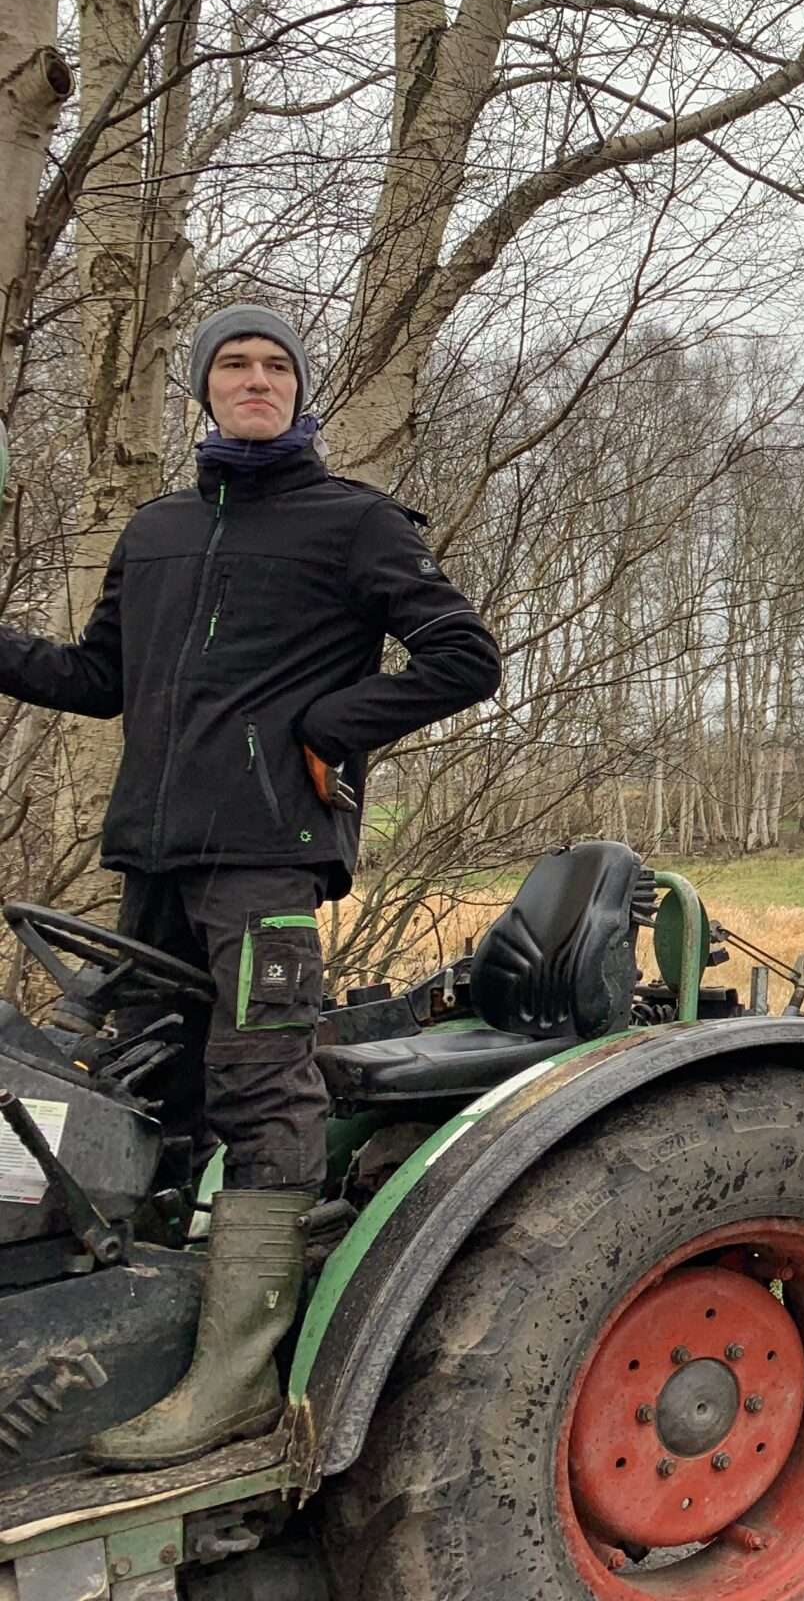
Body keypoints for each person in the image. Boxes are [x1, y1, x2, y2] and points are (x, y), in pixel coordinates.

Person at [0, 304, 502, 1470]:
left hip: (270, 850)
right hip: (157, 855)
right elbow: (95, 677)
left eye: (277, 365)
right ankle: (109, 1344)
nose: (257, 380)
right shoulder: (161, 527)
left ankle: (234, 1382)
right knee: (134, 1079)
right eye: (236, 363)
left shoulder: (356, 522)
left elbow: (462, 656)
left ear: (299, 389)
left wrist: (328, 728)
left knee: (262, 1086)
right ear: (205, 388)